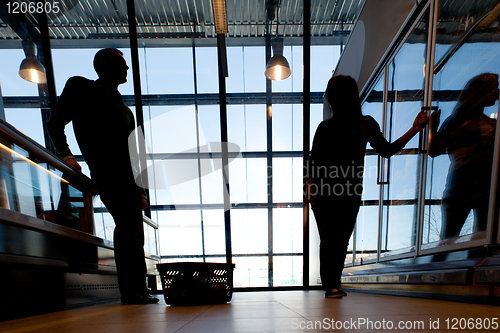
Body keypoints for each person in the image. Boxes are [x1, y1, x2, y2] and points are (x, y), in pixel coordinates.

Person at [47, 48, 159, 304]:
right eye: (122, 63)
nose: (127, 69)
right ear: (104, 65)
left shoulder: (124, 110)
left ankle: (138, 289)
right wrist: (67, 156)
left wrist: (140, 191)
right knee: (127, 230)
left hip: (127, 179)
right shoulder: (80, 87)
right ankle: (130, 291)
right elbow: (55, 123)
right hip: (107, 174)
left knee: (135, 234)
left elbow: (133, 154)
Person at [306, 75, 428, 298]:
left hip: (344, 193)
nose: (329, 98)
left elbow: (387, 150)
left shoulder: (361, 124)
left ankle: (333, 283)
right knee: (334, 239)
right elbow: (313, 161)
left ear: (337, 97)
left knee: (338, 239)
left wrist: (414, 129)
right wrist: (310, 186)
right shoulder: (334, 126)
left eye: (331, 94)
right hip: (330, 192)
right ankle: (332, 285)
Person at [428, 73, 498, 240]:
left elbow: (434, 150)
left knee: (469, 239)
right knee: (460, 239)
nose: (497, 92)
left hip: (472, 187)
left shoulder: (462, 121)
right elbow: (434, 150)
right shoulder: (462, 122)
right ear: (481, 91)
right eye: (493, 87)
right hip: (468, 187)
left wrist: (433, 130)